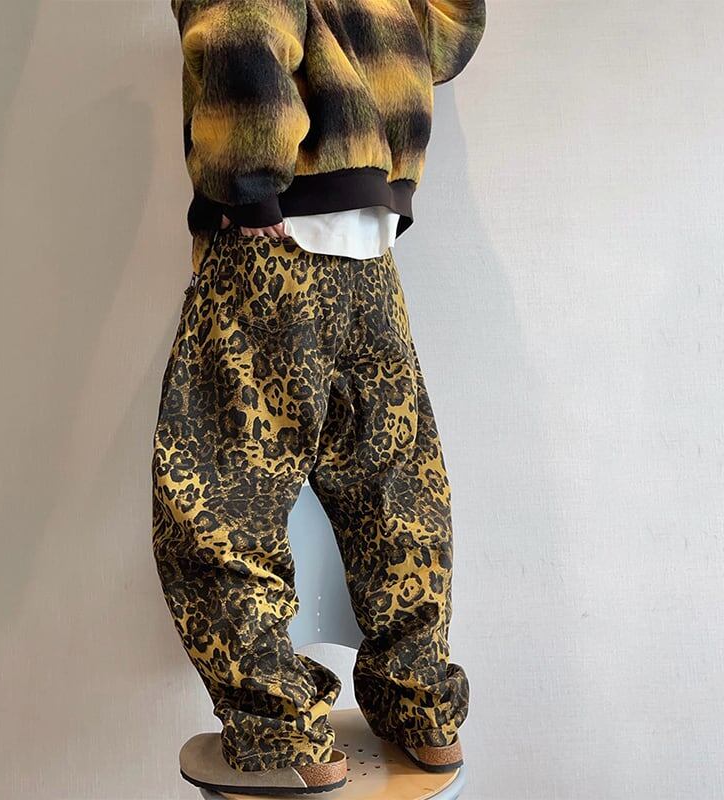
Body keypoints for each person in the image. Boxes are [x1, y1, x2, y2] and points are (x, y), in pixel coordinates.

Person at [152, 0, 486, 794]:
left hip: (275, 244)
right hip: (371, 252)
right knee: (395, 493)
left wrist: (247, 187)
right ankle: (421, 709)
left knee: (220, 503)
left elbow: (240, 27)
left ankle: (282, 734)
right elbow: (444, 40)